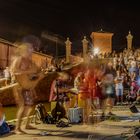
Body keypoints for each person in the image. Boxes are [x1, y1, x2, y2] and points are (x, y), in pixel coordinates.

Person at [10, 43, 45, 134]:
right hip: (19, 86)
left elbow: (37, 72)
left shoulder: (30, 62)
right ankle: (17, 128)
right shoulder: (18, 60)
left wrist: (39, 75)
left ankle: (26, 124)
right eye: (29, 51)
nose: (30, 53)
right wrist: (30, 71)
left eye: (31, 51)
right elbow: (14, 71)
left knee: (30, 106)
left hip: (28, 87)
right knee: (22, 106)